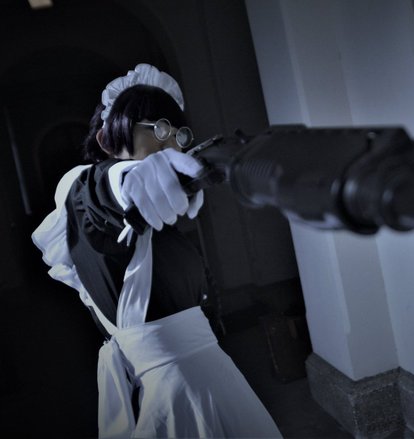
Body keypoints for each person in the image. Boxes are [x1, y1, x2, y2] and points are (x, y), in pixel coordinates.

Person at [32, 64, 281, 438]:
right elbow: (100, 191)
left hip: (213, 378)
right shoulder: (86, 197)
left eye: (179, 134)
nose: (173, 144)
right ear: (107, 141)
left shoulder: (151, 225)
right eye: (158, 129)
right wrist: (127, 179)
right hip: (179, 393)